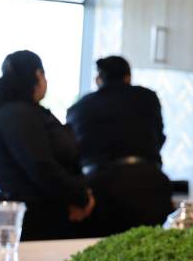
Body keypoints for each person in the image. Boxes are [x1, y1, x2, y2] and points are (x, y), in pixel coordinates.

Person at [0, 50, 96, 241]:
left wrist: (80, 195)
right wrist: (81, 199)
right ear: (38, 75)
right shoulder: (18, 114)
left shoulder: (26, 113)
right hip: (33, 223)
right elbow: (41, 166)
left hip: (49, 216)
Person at [67, 56, 172, 234]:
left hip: (98, 189)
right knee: (151, 250)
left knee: (100, 253)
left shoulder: (78, 108)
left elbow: (72, 152)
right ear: (129, 77)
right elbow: (158, 138)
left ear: (98, 80)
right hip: (147, 185)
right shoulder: (147, 97)